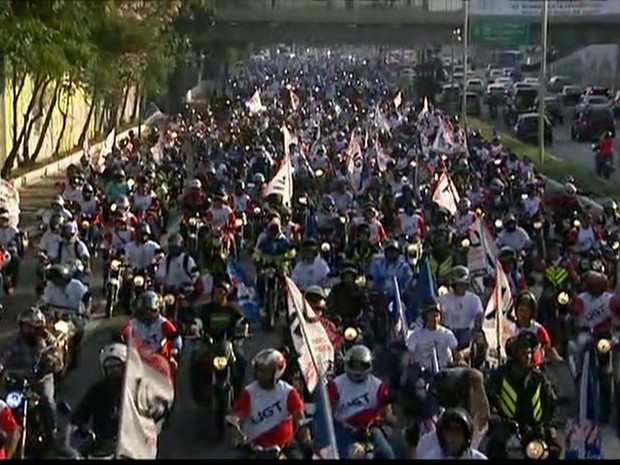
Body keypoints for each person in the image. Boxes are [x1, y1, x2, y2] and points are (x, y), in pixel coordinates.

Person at [485, 332, 560, 459]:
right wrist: (495, 416)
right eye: (523, 354)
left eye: (529, 353)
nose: (527, 357)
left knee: (553, 450)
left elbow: (551, 403)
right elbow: (489, 396)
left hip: (535, 429)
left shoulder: (538, 378)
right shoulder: (501, 375)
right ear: (514, 355)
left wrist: (550, 425)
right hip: (507, 427)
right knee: (495, 447)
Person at [227, 349, 311, 458]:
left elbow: (298, 414)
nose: (261, 374)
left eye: (265, 371)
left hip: (284, 448)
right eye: (259, 370)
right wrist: (233, 425)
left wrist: (303, 429)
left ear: (276, 372)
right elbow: (238, 413)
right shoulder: (249, 392)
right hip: (255, 448)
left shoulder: (288, 392)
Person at [0, 308, 63, 441]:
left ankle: (52, 432)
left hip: (40, 380)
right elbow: (5, 359)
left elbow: (57, 360)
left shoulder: (48, 341)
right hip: (18, 381)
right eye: (24, 326)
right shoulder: (14, 342)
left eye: (30, 327)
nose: (26, 330)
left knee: (47, 400)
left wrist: (49, 365)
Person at [327, 345, 397, 459]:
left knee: (388, 454)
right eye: (354, 365)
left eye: (361, 366)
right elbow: (329, 413)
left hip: (370, 429)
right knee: (351, 455)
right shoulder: (336, 385)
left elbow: (387, 412)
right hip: (345, 429)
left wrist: (392, 424)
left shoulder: (378, 386)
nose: (357, 369)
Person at [70, 344, 126, 448]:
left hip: (132, 445)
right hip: (103, 445)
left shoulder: (136, 389)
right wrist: (76, 427)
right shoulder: (98, 390)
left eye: (117, 367)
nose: (113, 371)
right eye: (109, 368)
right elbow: (81, 412)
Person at [198, 280, 248, 394]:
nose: (218, 296)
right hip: (210, 344)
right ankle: (201, 391)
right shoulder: (206, 309)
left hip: (229, 343)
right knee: (196, 358)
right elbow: (197, 321)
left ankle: (238, 390)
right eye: (215, 293)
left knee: (241, 360)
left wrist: (243, 332)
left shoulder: (233, 309)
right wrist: (196, 329)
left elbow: (243, 322)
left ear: (226, 294)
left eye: (221, 293)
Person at [120, 291, 182, 370]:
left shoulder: (163, 323)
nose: (147, 313)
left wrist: (175, 349)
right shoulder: (133, 323)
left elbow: (175, 337)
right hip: (138, 359)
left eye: (150, 311)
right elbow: (124, 333)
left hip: (159, 358)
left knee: (172, 367)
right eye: (145, 311)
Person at [402, 302, 460, 372]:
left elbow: (456, 351)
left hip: (444, 371)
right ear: (426, 316)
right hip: (423, 372)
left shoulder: (447, 334)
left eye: (437, 316)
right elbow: (409, 354)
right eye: (432, 316)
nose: (435, 319)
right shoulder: (416, 335)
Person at [439, 266, 484, 349]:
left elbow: (479, 314)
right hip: (449, 333)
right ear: (454, 284)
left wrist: (477, 329)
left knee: (481, 342)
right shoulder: (444, 299)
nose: (462, 287)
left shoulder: (474, 299)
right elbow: (440, 317)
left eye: (464, 285)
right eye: (459, 285)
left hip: (467, 333)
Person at [513, 290, 562, 365]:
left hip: (535, 368)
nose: (523, 314)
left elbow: (548, 349)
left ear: (532, 312)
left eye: (526, 311)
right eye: (521, 310)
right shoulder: (510, 327)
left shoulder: (538, 329)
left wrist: (559, 360)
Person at [415, 408, 488, 459]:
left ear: (466, 438)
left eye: (457, 434)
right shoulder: (431, 457)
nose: (452, 439)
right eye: (449, 433)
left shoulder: (478, 458)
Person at [326, 261, 370, 326]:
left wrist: (361, 319)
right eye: (346, 276)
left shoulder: (360, 291)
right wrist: (335, 317)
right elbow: (330, 305)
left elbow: (368, 308)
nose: (348, 279)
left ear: (354, 277)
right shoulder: (336, 290)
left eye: (350, 276)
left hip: (356, 324)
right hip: (340, 323)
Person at [0, 207, 23, 292]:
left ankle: (13, 283)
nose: (3, 221)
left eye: (5, 219)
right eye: (1, 219)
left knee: (16, 259)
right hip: (0, 251)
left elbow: (18, 242)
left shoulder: (13, 230)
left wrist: (15, 246)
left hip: (10, 251)